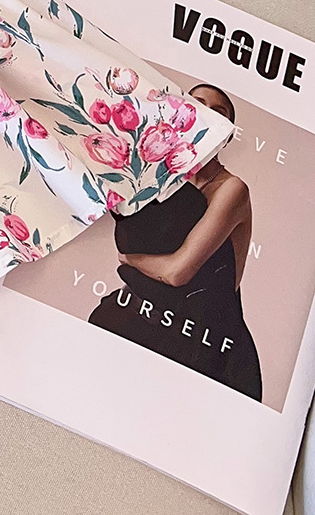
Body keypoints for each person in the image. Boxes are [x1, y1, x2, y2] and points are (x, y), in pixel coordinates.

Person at [89, 83, 262, 400]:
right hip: (150, 320)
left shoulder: (232, 189)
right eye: (196, 104)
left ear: (227, 134)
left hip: (209, 343)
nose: (205, 113)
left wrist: (129, 260)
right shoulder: (154, 177)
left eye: (218, 112)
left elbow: (176, 272)